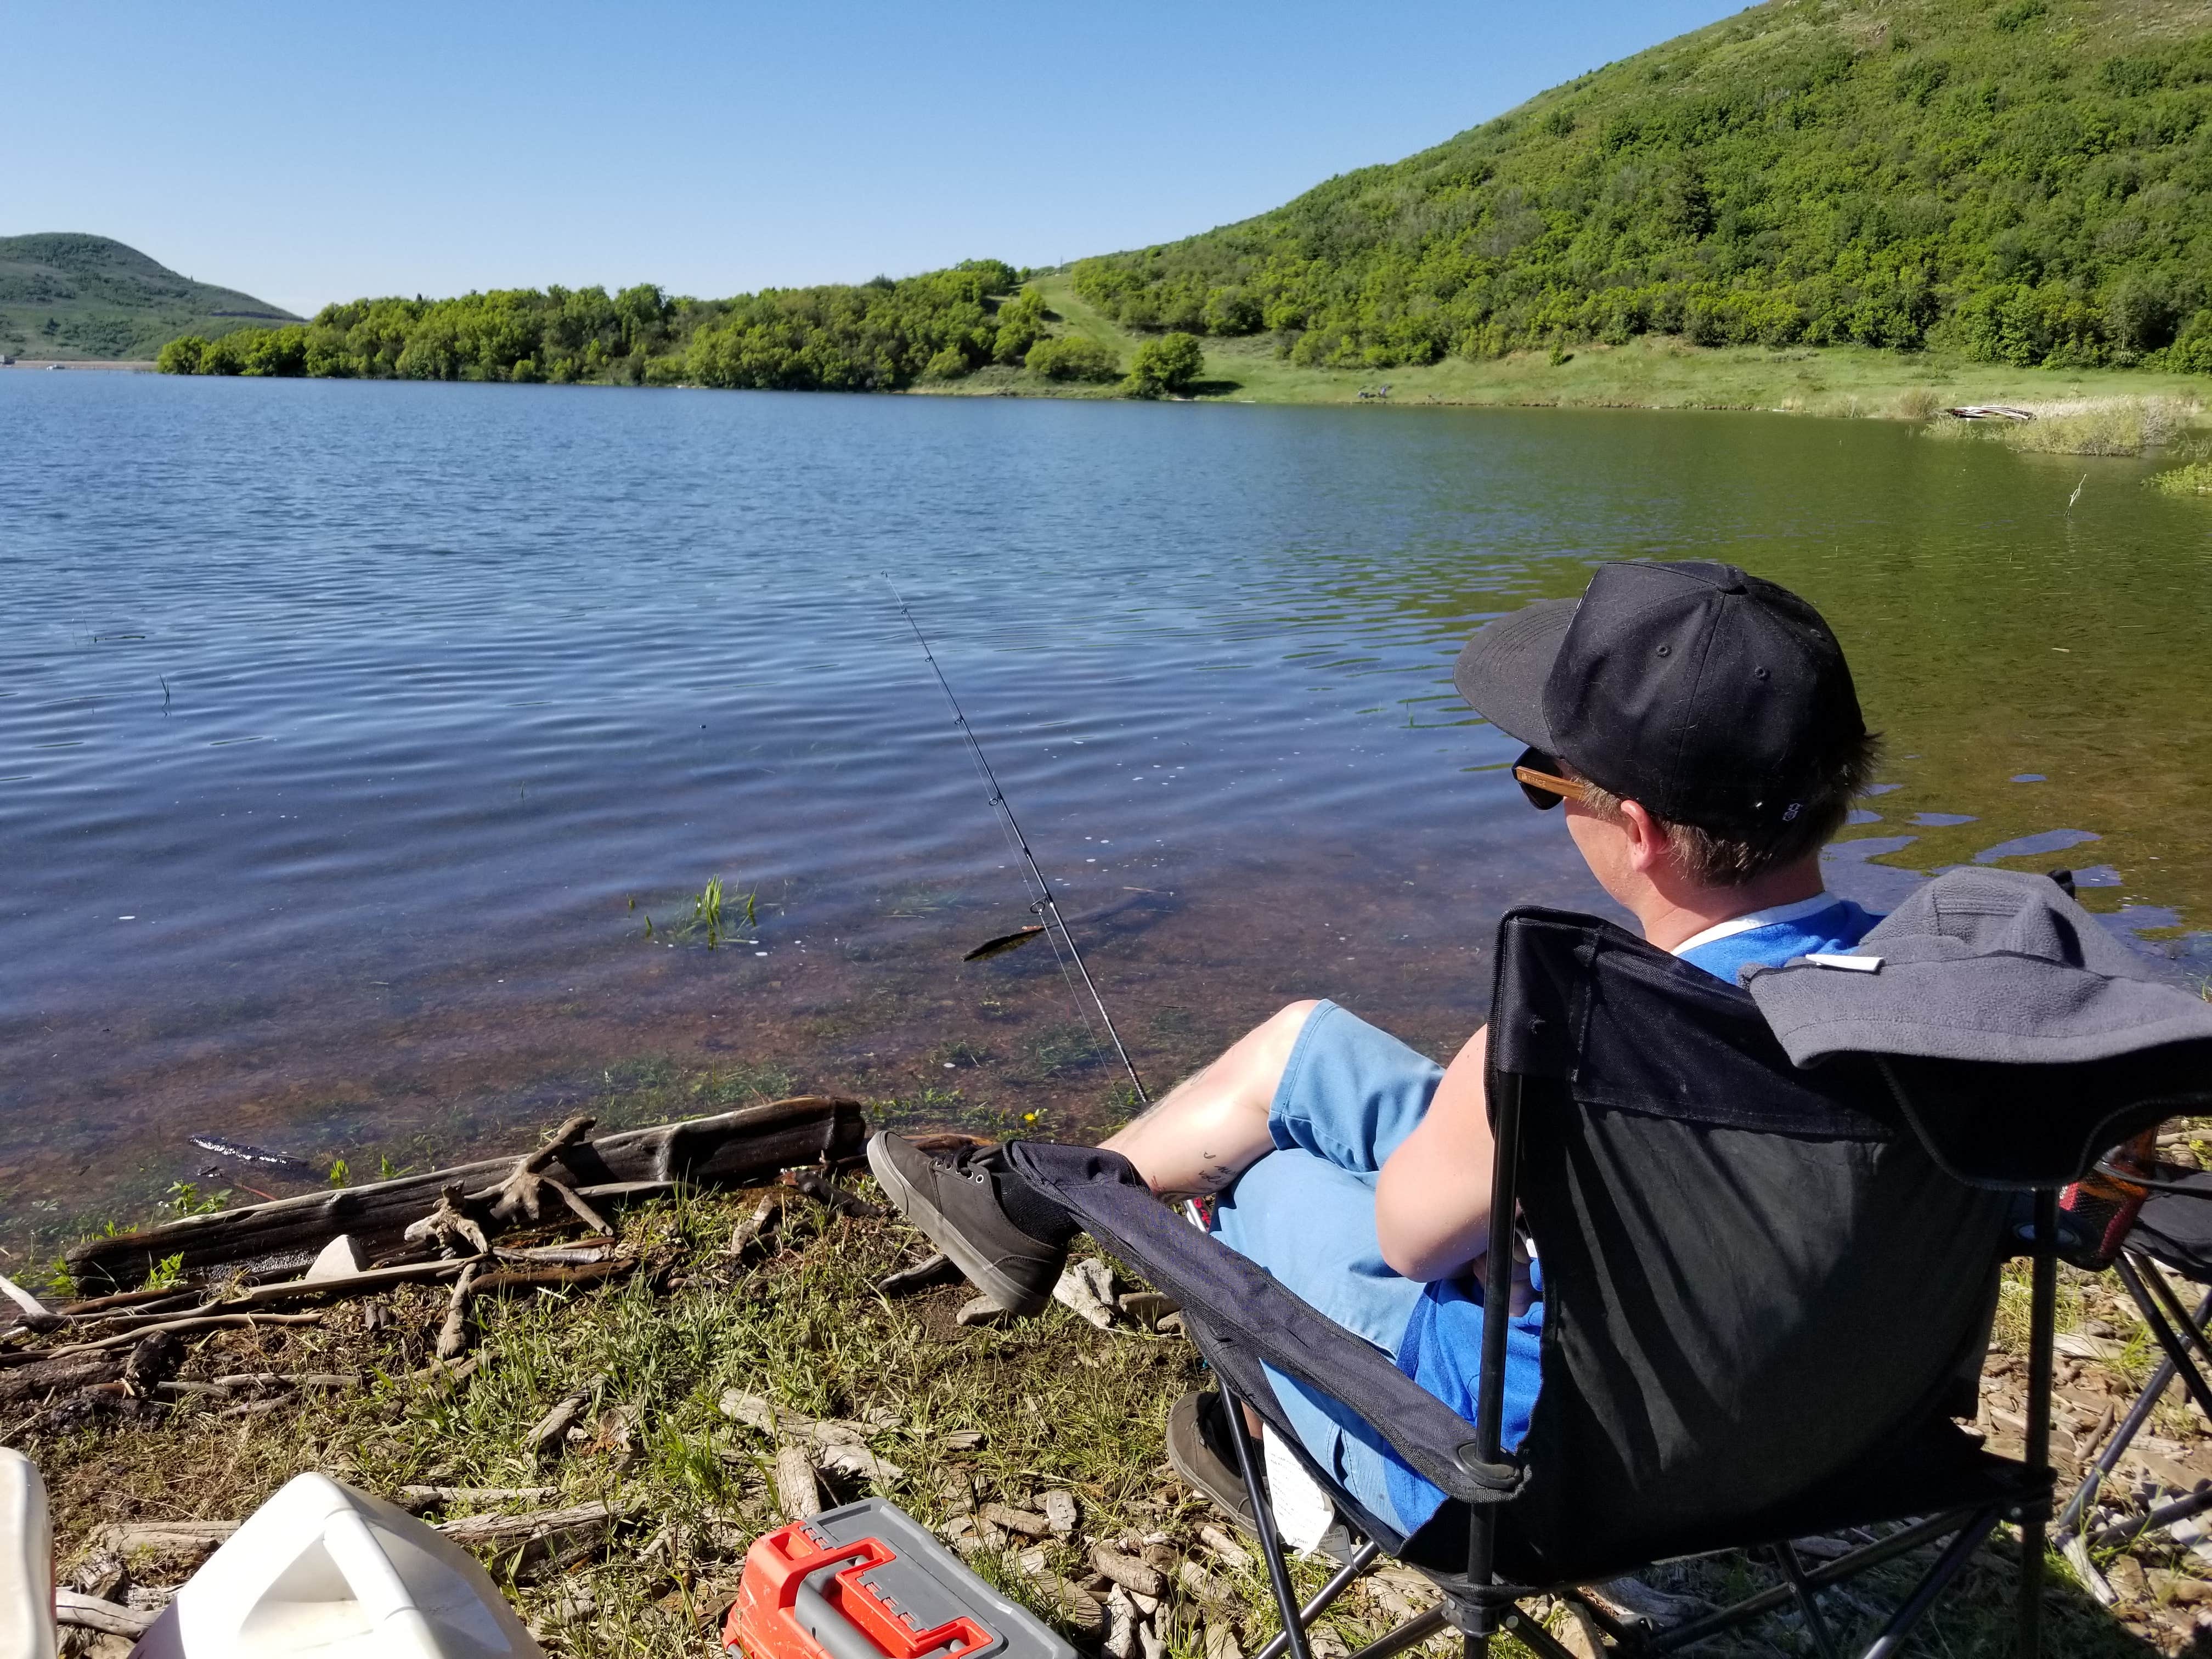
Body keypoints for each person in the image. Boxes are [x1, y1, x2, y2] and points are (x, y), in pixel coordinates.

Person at [867, 558, 1882, 1539]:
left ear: (1638, 827)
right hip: (1832, 1439)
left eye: (1548, 780)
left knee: (1261, 1179)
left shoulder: (1568, 1031)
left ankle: (1273, 1459)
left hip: (1516, 1475)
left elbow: (1408, 1240)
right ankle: (1024, 1208)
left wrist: (1501, 1201)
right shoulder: (1945, 1003)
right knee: (1306, 1047)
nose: (1545, 801)